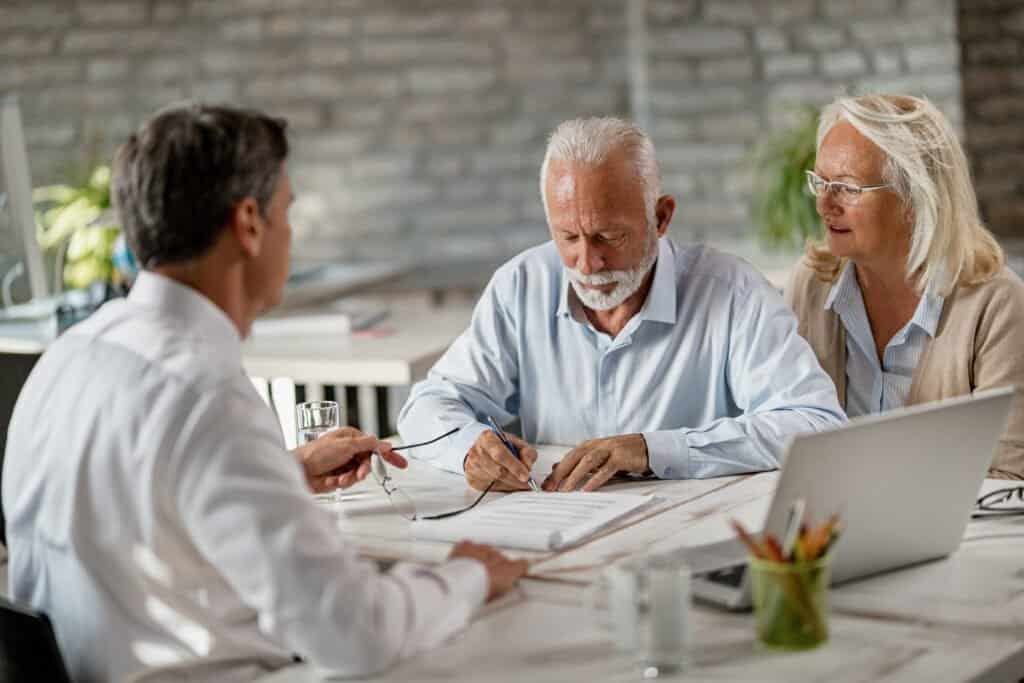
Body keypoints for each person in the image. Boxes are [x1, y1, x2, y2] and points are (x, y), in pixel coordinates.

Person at [2, 103, 527, 683]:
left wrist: (282, 472)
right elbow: (356, 635)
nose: (290, 234)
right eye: (287, 213)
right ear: (249, 223)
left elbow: (136, 510)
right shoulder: (205, 397)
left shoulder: (71, 354)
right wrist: (466, 575)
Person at [398, 117, 845, 493]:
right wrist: (470, 448)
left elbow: (814, 423)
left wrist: (654, 449)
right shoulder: (521, 285)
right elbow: (426, 406)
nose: (588, 263)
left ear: (662, 217)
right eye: (568, 237)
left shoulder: (733, 292)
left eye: (609, 237)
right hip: (554, 536)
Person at [785, 93, 1024, 479]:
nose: (824, 204)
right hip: (833, 527)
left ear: (915, 196)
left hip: (962, 532)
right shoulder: (811, 284)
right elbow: (784, 432)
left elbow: (1011, 475)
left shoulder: (996, 303)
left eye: (847, 187)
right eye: (821, 182)